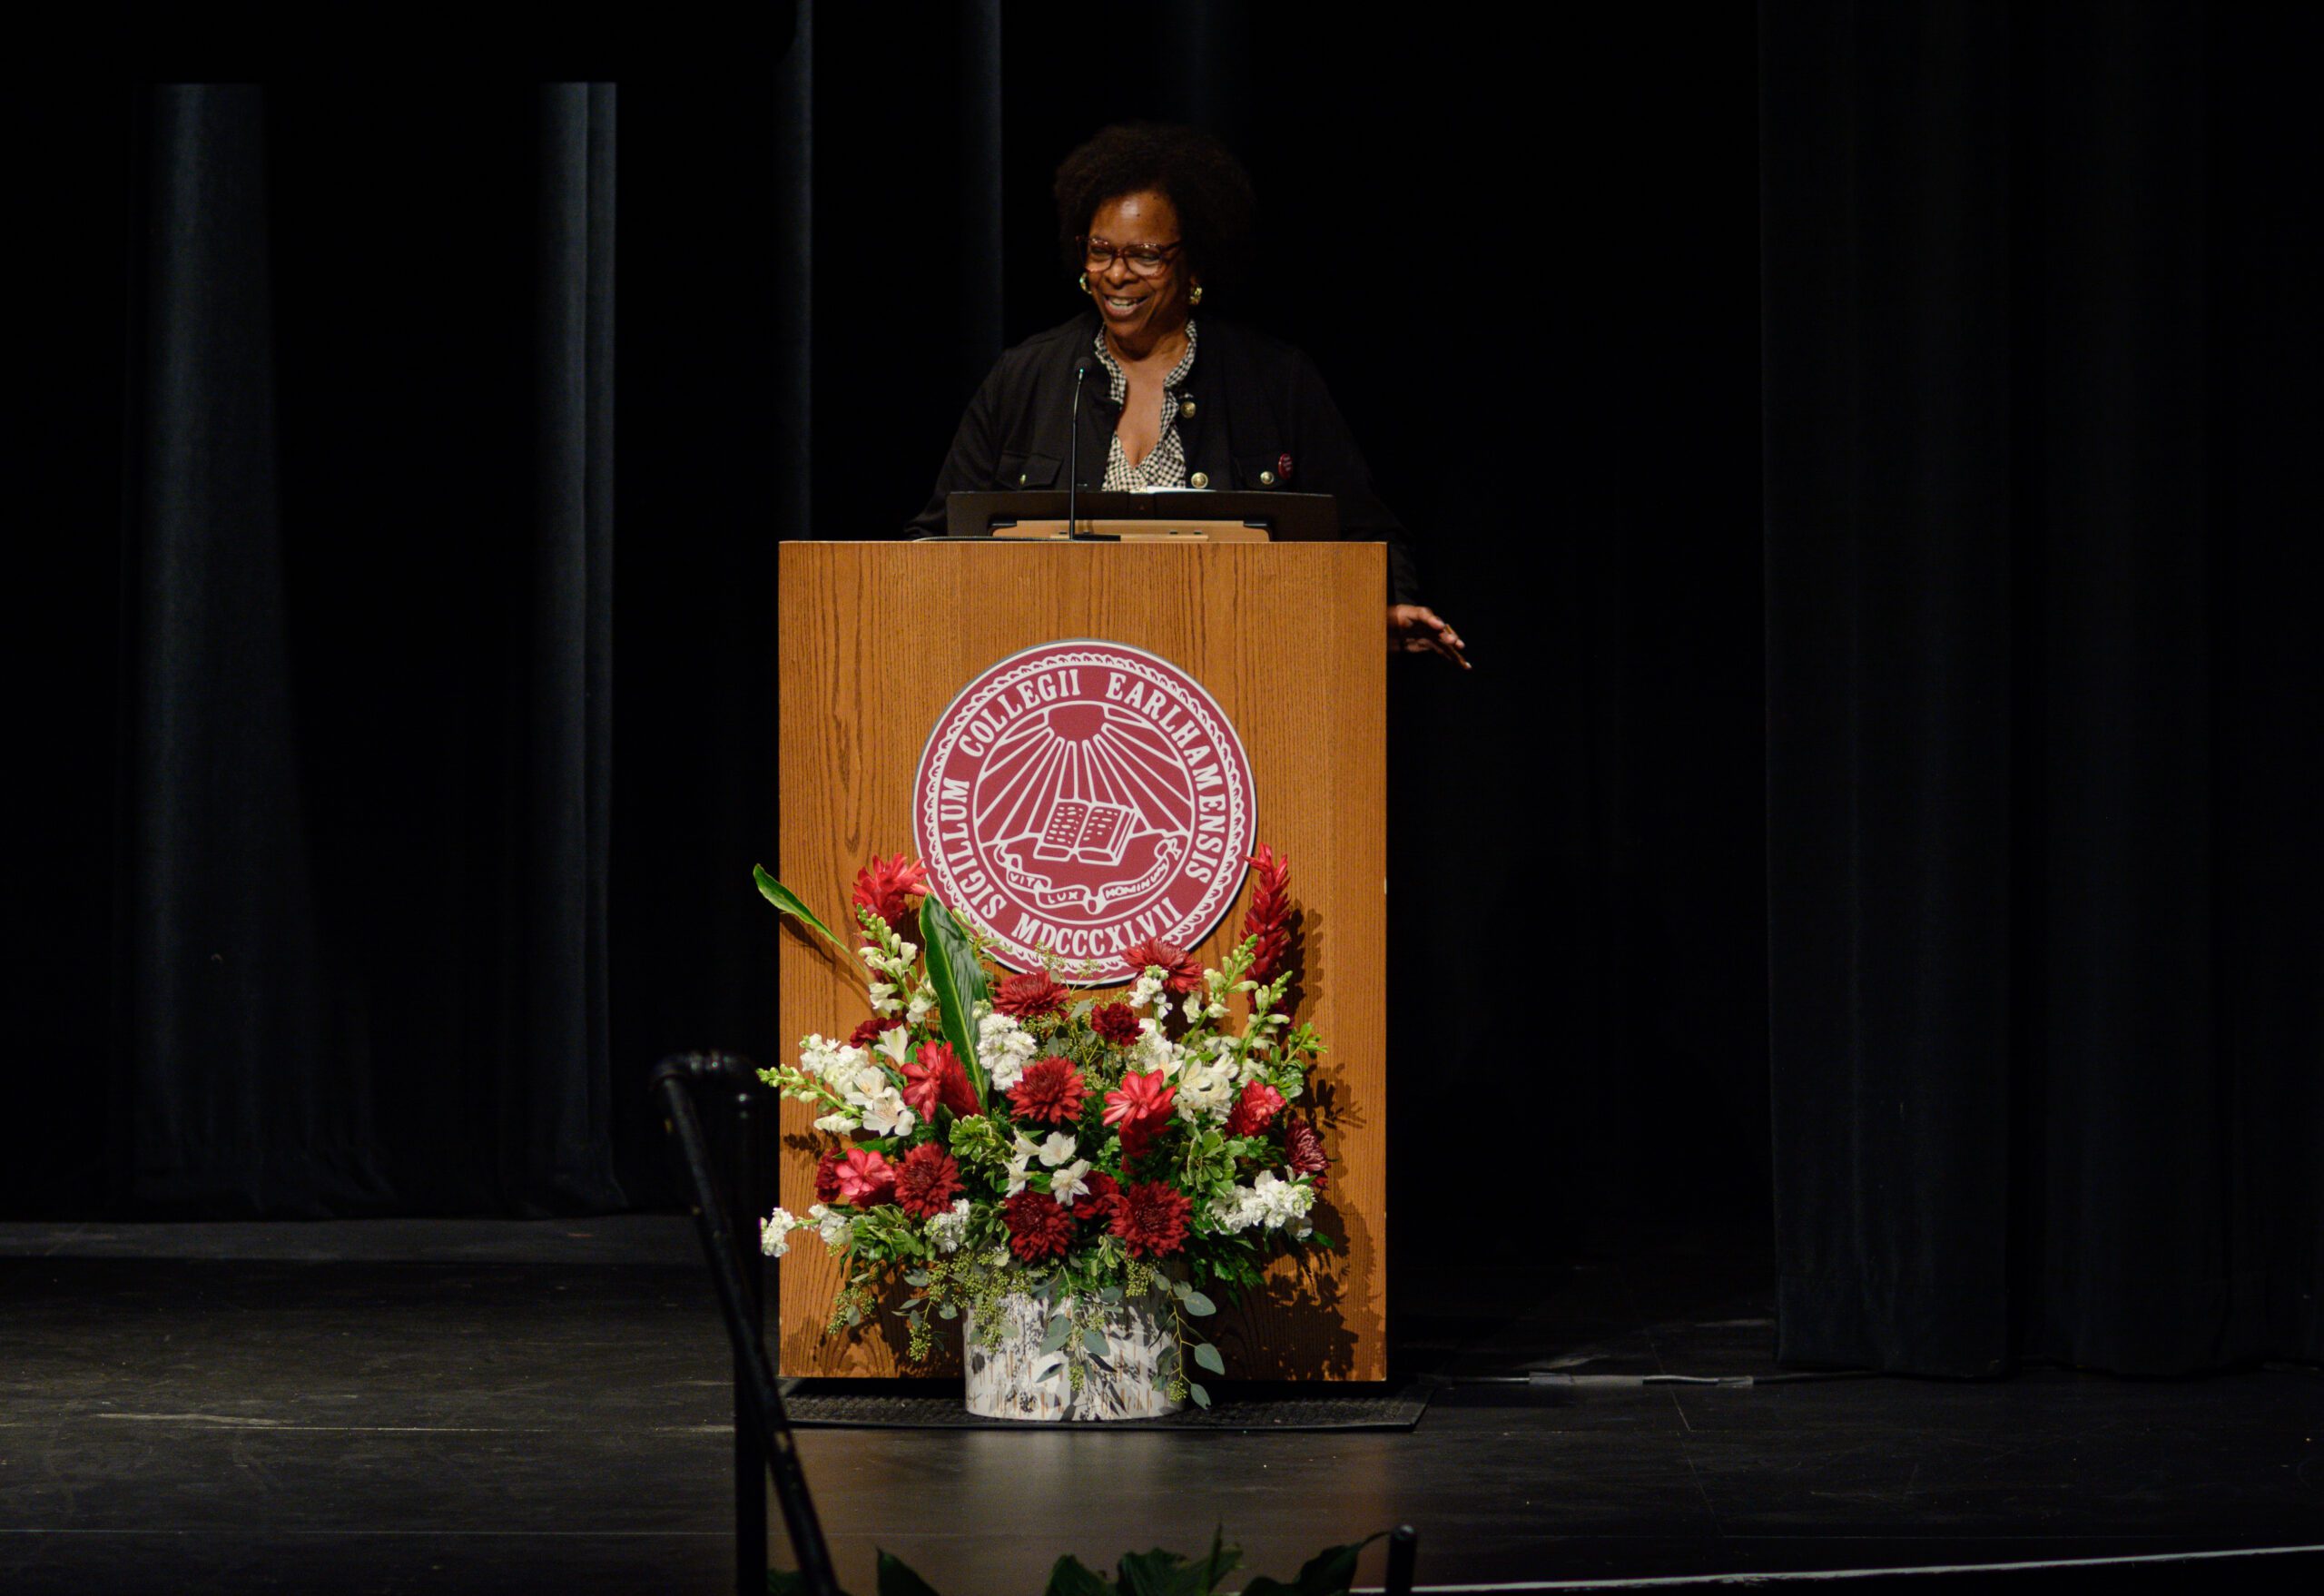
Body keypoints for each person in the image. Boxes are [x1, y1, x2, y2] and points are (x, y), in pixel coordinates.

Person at [907, 123, 1468, 668]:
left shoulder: (1274, 380)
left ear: (1193, 262)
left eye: (1145, 255)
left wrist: (1382, 607)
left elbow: (1367, 532)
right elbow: (934, 539)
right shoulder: (1025, 377)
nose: (1116, 275)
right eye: (1101, 251)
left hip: (1233, 671)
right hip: (1058, 673)